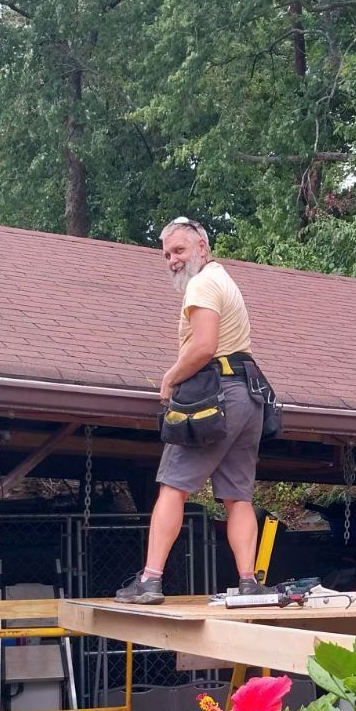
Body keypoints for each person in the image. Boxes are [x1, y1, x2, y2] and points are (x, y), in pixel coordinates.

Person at [116, 217, 269, 605]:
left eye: (179, 250)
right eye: (167, 254)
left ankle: (150, 580)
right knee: (238, 496)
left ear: (203, 247)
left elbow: (204, 346)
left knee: (173, 485)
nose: (172, 260)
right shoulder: (225, 280)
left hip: (216, 395)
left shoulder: (202, 284)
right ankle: (248, 582)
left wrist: (169, 379)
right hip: (249, 397)